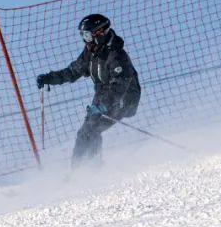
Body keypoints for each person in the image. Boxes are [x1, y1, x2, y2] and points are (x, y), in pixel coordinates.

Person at [36, 14, 142, 167]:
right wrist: (49, 78)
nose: (85, 40)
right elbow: (72, 71)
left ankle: (88, 168)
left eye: (87, 35)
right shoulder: (91, 52)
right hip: (103, 96)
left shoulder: (116, 55)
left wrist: (104, 105)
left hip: (123, 99)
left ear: (99, 33)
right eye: (82, 35)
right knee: (86, 131)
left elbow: (120, 84)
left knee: (90, 129)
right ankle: (84, 169)